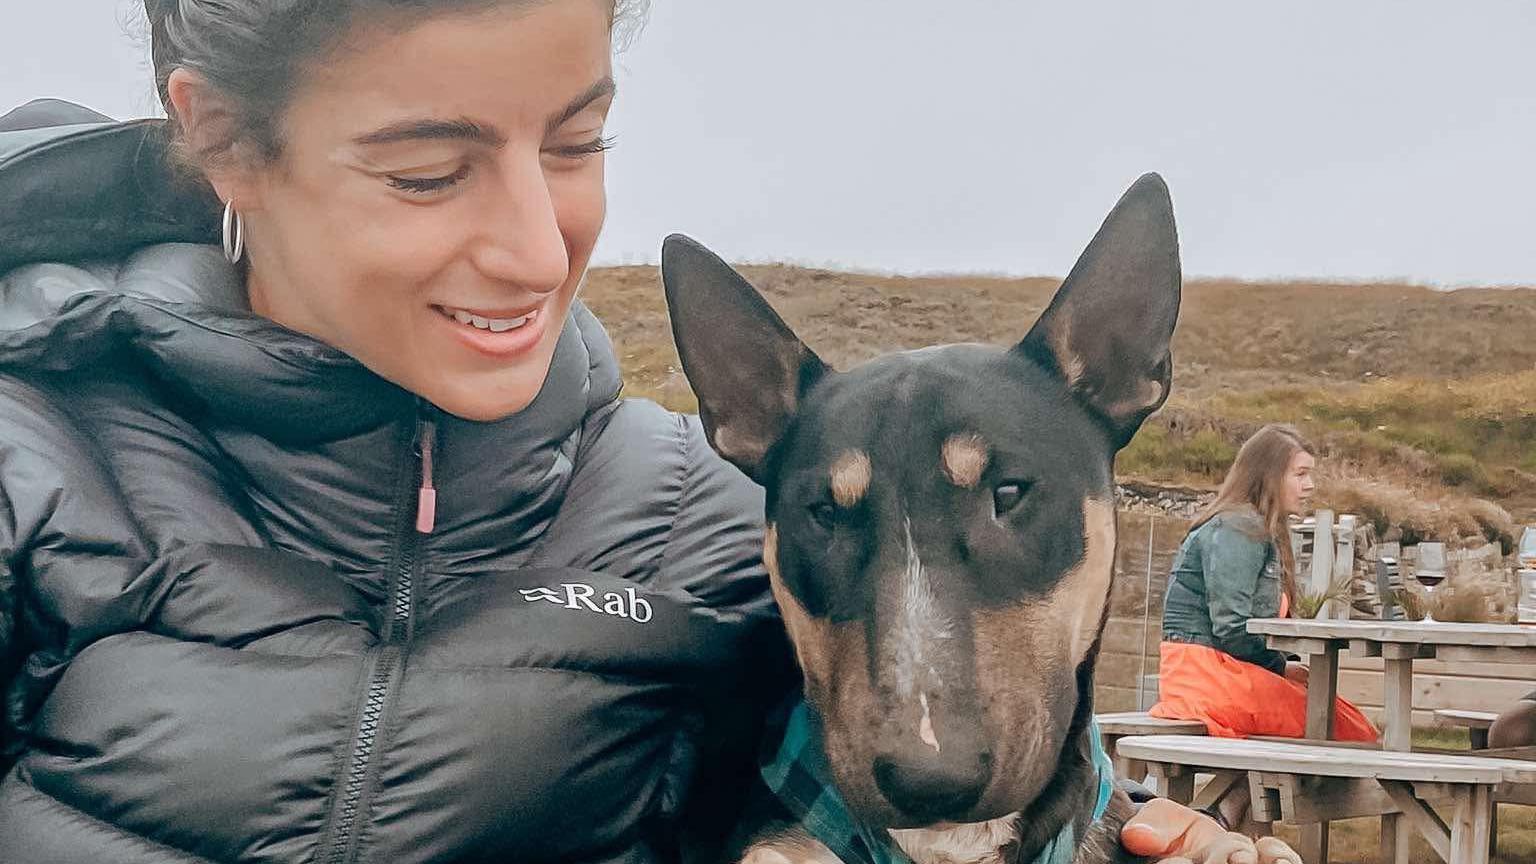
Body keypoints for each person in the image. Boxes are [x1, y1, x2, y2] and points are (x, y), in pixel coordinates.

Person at [0, 2, 1295, 861]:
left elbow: (963, 760)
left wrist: (1155, 839)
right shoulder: (33, 465)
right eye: (426, 169)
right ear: (225, 141)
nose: (531, 247)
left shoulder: (711, 517)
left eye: (578, 140)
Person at [1150, 424, 1376, 830]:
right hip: (1205, 673)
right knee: (1346, 728)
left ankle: (1227, 814)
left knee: (1336, 720)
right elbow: (1232, 627)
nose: (1310, 485)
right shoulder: (1239, 529)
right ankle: (1226, 814)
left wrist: (1281, 665)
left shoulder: (1257, 528)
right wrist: (1279, 668)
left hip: (1221, 669)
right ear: (1268, 474)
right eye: (1300, 474)